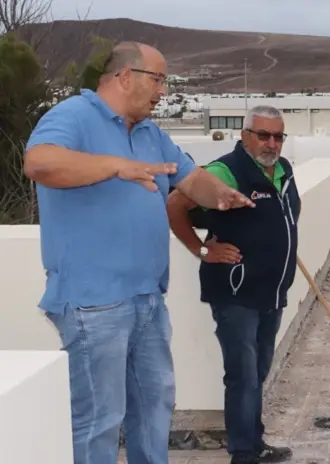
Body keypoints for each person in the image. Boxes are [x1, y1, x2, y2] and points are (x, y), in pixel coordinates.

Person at [22, 41, 254, 464]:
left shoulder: (150, 133)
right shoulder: (73, 116)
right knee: (100, 420)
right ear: (124, 76)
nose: (163, 91)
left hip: (147, 299)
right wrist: (114, 165)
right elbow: (39, 163)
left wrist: (219, 194)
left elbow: (189, 178)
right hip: (94, 302)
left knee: (153, 409)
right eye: (158, 79)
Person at [166, 105, 299, 464]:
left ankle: (254, 443)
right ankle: (243, 454)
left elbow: (282, 217)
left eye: (278, 136)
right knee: (242, 374)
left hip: (271, 292)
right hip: (236, 292)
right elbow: (176, 203)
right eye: (263, 135)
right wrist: (201, 249)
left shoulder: (283, 170)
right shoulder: (227, 169)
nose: (271, 143)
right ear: (245, 136)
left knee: (257, 371)